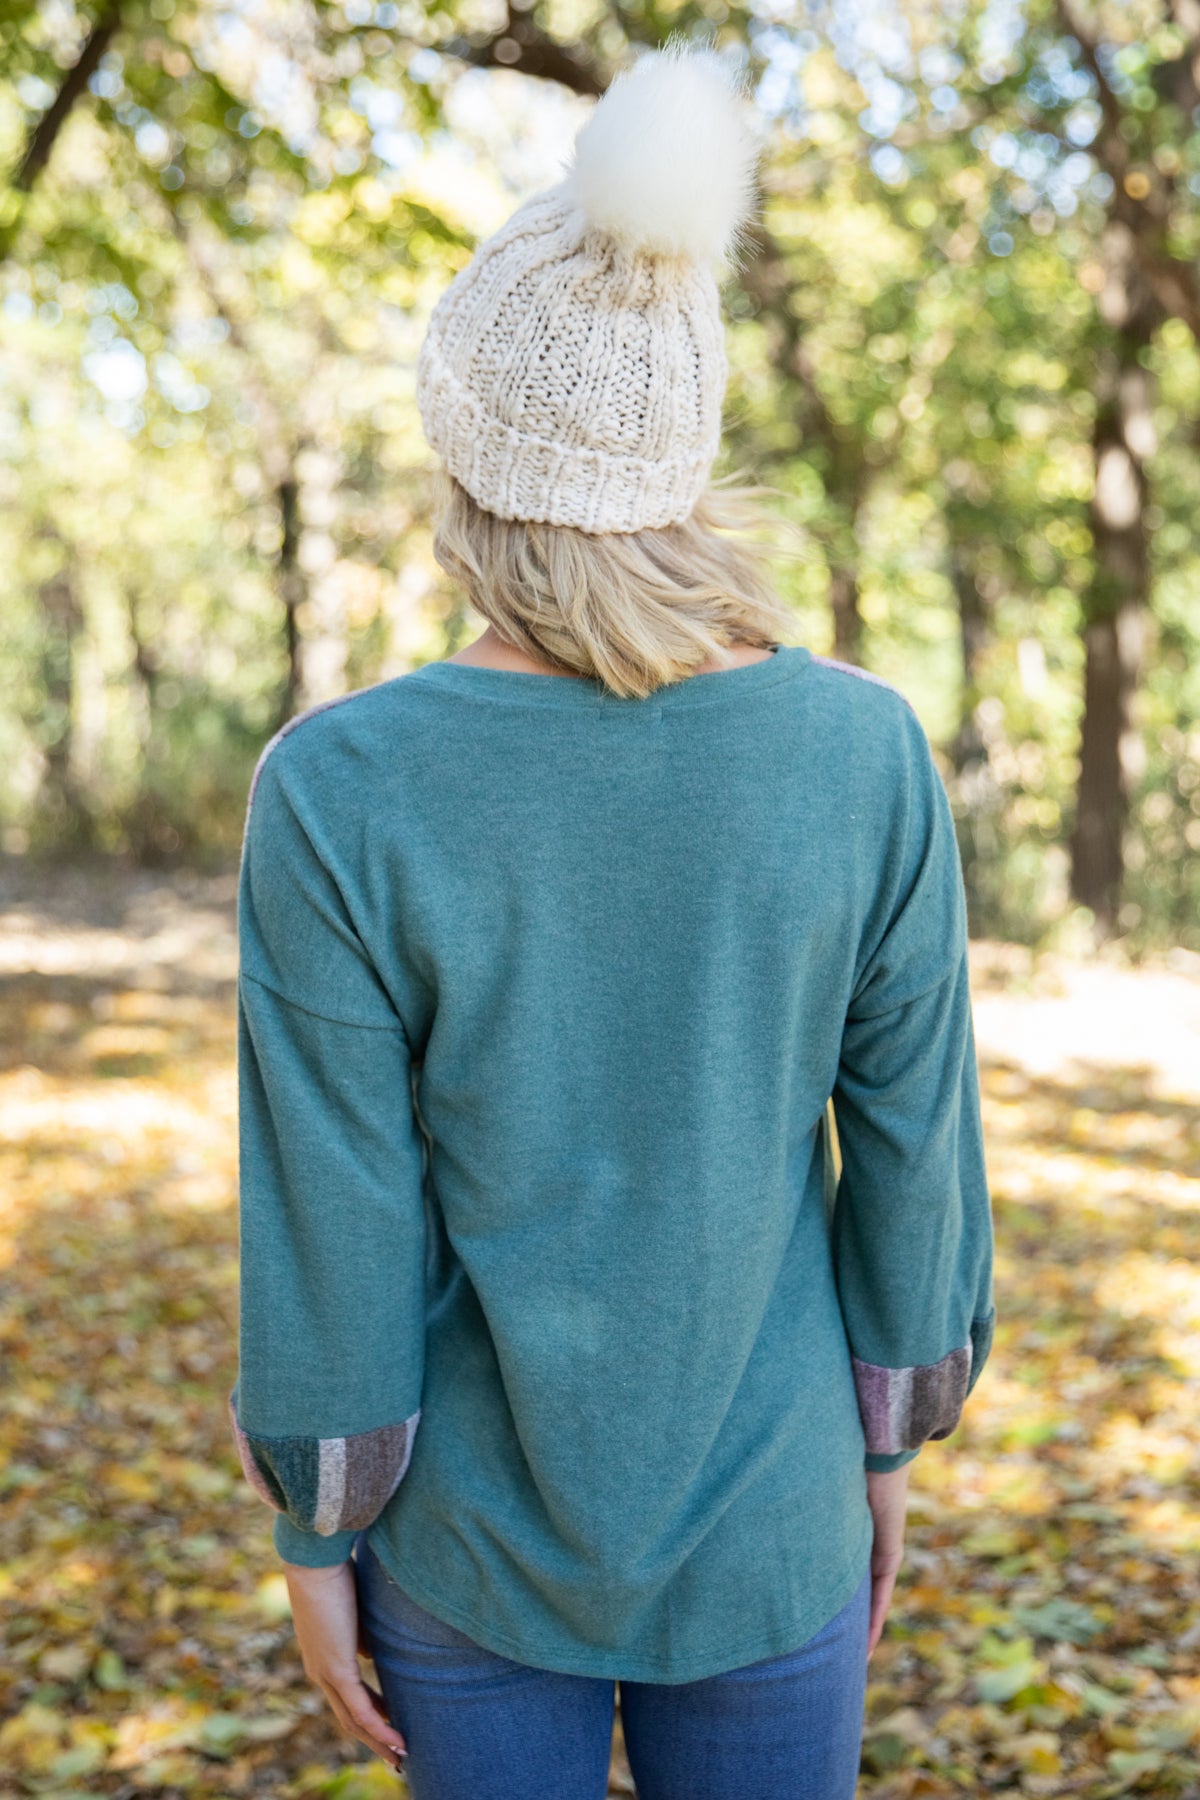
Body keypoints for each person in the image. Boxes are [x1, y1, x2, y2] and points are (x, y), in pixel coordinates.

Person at [226, 42, 996, 1800]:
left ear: (465, 451)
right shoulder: (863, 754)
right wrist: (888, 1442)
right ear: (688, 436)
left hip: (470, 1555)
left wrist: (318, 1526)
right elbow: (915, 1157)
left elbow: (334, 1217)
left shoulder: (341, 787)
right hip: (779, 1525)